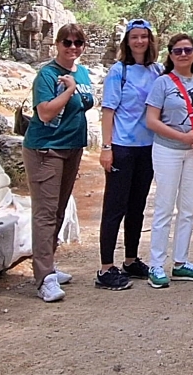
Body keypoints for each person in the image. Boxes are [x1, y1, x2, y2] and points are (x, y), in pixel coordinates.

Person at [23, 23, 95, 303]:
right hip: (46, 149)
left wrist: (76, 87)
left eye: (78, 42)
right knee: (45, 212)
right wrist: (69, 91)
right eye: (67, 42)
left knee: (59, 210)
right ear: (57, 44)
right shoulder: (47, 74)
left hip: (72, 147)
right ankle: (44, 278)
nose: (72, 47)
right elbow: (44, 113)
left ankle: (49, 265)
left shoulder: (82, 72)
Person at [144, 33, 193, 288]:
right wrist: (182, 137)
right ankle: (156, 264)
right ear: (170, 55)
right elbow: (152, 120)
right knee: (164, 207)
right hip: (168, 150)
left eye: (187, 50)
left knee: (188, 208)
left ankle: (180, 261)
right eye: (178, 51)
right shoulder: (162, 83)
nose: (183, 54)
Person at [94, 19, 162, 291]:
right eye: (134, 37)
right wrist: (106, 147)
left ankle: (131, 260)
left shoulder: (157, 70)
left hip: (148, 148)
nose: (139, 41)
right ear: (127, 41)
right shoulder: (118, 71)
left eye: (144, 36)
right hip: (122, 147)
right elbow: (108, 111)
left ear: (150, 40)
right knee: (115, 207)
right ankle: (105, 268)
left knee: (137, 207)